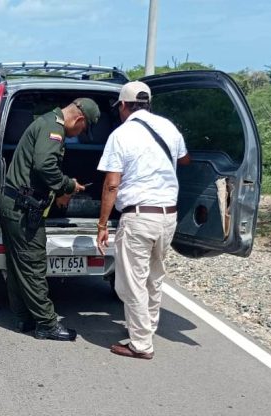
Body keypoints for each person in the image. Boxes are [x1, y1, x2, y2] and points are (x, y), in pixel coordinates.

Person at [96, 81, 190, 359]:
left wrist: (102, 224)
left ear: (124, 106)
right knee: (154, 277)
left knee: (131, 282)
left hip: (138, 217)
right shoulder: (169, 128)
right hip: (168, 215)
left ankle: (140, 344)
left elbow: (112, 184)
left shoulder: (122, 134)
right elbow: (185, 160)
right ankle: (146, 330)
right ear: (148, 103)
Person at [0, 98, 100, 341]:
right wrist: (67, 185)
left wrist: (58, 191)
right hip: (23, 209)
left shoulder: (45, 122)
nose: (80, 134)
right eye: (83, 129)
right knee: (33, 265)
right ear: (79, 119)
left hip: (14, 205)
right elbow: (45, 165)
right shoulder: (53, 128)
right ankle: (46, 323)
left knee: (17, 265)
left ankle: (23, 317)